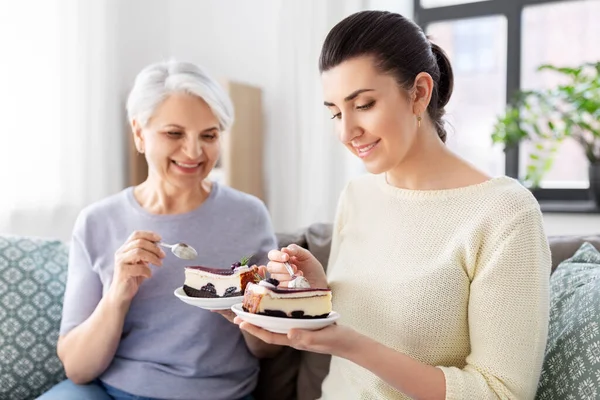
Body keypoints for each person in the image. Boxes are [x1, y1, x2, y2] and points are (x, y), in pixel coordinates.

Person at [236, 10, 550, 400]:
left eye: (363, 105)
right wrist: (317, 293)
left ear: (419, 92)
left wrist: (348, 344)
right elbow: (365, 316)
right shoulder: (357, 196)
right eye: (335, 112)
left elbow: (502, 394)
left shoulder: (504, 214)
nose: (346, 132)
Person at [39, 60, 279, 400]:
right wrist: (119, 293)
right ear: (139, 133)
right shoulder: (97, 221)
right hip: (112, 391)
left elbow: (267, 350)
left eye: (208, 136)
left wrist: (242, 307)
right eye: (174, 133)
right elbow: (78, 369)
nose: (194, 152)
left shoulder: (248, 216)